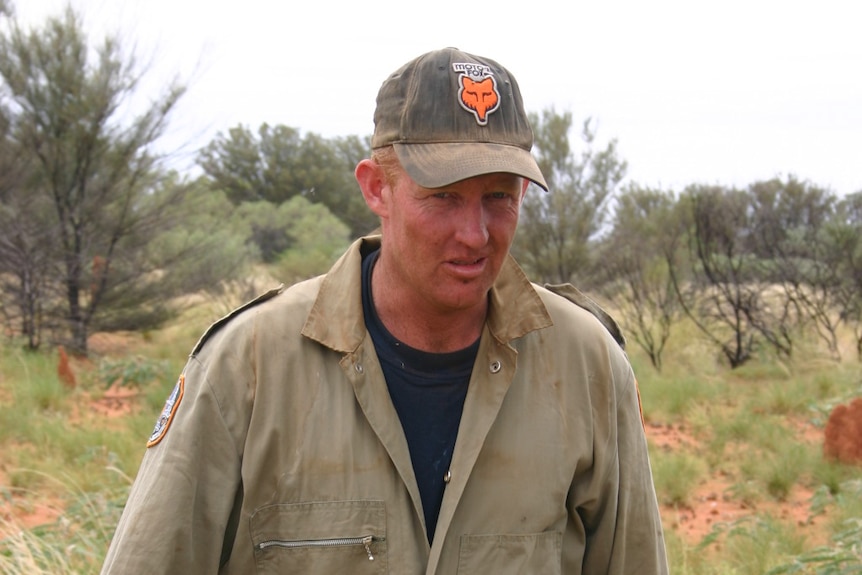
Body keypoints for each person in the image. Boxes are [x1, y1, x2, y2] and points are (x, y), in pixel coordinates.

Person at [100, 47, 668, 574]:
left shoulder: (587, 365)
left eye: (499, 196)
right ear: (376, 189)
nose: (474, 235)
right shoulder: (246, 366)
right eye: (443, 196)